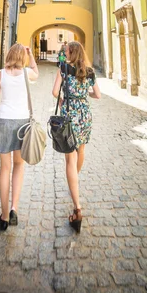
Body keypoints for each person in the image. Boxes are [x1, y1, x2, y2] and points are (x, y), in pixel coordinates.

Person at [0, 43, 39, 231]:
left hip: (2, 122)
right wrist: (31, 54)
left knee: (4, 169)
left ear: (9, 55)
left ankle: (4, 215)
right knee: (18, 165)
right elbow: (36, 71)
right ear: (22, 57)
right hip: (22, 123)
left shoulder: (0, 74)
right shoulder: (27, 73)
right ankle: (14, 207)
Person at [52, 41, 101, 232]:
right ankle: (75, 182)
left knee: (69, 159)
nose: (65, 54)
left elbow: (55, 92)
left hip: (69, 114)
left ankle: (78, 209)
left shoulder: (63, 69)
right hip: (85, 114)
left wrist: (66, 99)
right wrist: (83, 94)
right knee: (81, 149)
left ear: (72, 52)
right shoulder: (89, 71)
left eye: (66, 51)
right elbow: (97, 95)